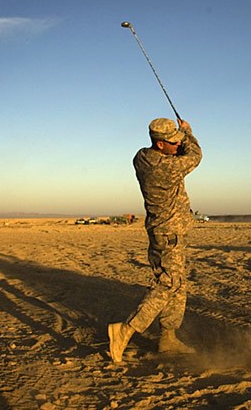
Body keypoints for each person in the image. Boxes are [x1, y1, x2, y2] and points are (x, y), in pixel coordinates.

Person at [108, 117, 202, 363]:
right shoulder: (167, 167)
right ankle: (126, 330)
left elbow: (179, 151)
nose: (177, 146)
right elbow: (195, 156)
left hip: (167, 231)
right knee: (168, 284)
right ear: (160, 145)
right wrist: (188, 133)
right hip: (168, 233)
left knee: (178, 284)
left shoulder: (142, 157)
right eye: (173, 143)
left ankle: (168, 338)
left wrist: (178, 135)